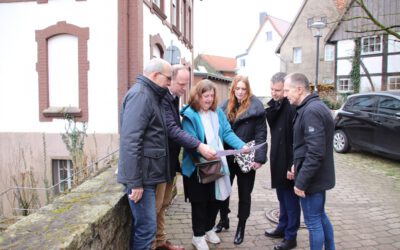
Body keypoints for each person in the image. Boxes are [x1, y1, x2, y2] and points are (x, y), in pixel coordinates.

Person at [153, 65, 217, 250]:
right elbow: (172, 129)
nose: (184, 88)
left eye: (186, 83)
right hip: (160, 162)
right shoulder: (164, 99)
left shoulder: (174, 98)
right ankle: (155, 243)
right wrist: (198, 145)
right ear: (169, 80)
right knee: (156, 208)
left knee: (164, 204)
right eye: (181, 84)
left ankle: (161, 241)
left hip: (170, 162)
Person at [180, 79, 247, 250]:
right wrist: (204, 151)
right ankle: (198, 236)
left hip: (218, 164)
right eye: (205, 96)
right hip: (198, 168)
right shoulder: (190, 115)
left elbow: (226, 132)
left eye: (211, 95)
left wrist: (242, 146)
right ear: (197, 96)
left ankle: (209, 228)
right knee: (200, 202)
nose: (209, 99)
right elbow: (190, 142)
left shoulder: (217, 112)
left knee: (215, 200)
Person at [117, 57, 172, 250]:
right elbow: (130, 141)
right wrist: (135, 182)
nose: (169, 83)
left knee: (146, 228)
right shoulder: (141, 96)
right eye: (168, 78)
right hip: (142, 178)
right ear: (156, 75)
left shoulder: (149, 94)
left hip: (147, 175)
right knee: (147, 229)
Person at [284, 73, 336, 250]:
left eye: (287, 90)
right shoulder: (313, 107)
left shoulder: (311, 110)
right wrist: (295, 165)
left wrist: (301, 182)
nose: (285, 94)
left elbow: (315, 152)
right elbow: (306, 146)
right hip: (315, 175)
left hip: (313, 178)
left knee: (313, 222)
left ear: (299, 89)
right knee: (320, 216)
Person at [217, 75, 267, 245]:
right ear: (233, 89)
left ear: (248, 90)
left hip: (247, 158)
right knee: (223, 190)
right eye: (237, 88)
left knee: (245, 194)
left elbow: (261, 134)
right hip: (228, 156)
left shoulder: (257, 108)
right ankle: (224, 219)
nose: (240, 92)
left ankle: (241, 227)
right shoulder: (224, 106)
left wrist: (260, 158)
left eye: (243, 89)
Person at [265, 72, 300, 250]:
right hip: (278, 158)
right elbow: (271, 122)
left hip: (289, 162)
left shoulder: (292, 106)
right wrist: (274, 103)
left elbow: (297, 140)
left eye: (278, 90)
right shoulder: (278, 105)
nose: (274, 93)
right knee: (281, 197)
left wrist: (291, 164)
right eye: (272, 89)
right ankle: (282, 227)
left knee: (291, 201)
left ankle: (291, 237)